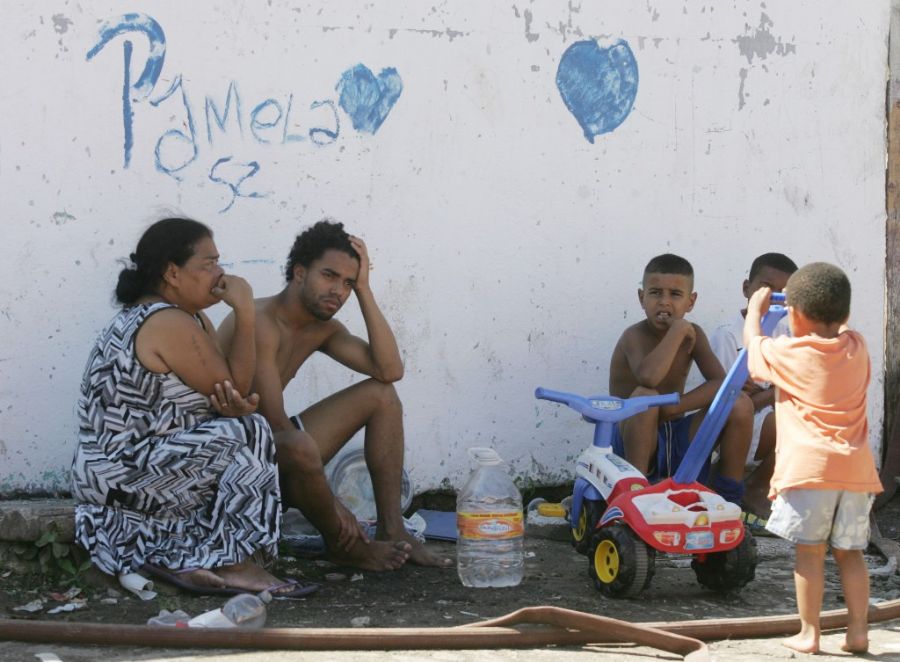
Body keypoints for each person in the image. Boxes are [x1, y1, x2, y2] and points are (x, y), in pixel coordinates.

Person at [72, 218, 316, 598]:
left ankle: (188, 558)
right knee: (249, 431)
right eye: (209, 263)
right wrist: (246, 313)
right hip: (124, 473)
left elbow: (227, 392)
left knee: (241, 424)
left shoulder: (183, 317)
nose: (220, 273)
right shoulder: (166, 320)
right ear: (172, 272)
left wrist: (233, 406)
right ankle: (235, 562)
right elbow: (237, 385)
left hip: (124, 475)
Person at [218, 219, 451, 570]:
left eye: (347, 283)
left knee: (382, 395)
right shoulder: (259, 320)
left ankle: (393, 528)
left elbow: (389, 371)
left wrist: (366, 291)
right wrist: (334, 506)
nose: (338, 291)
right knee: (298, 445)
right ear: (299, 272)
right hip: (230, 462)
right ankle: (344, 545)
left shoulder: (321, 329)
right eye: (329, 276)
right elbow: (273, 424)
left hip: (275, 448)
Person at [745, 262, 883, 655]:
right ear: (845, 315)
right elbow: (835, 325)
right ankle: (858, 632)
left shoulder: (789, 352)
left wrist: (756, 312)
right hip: (855, 472)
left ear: (795, 314)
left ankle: (810, 633)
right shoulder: (857, 348)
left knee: (809, 553)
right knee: (850, 553)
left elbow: (755, 353)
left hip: (809, 473)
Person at [608, 254, 753, 505]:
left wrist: (676, 407)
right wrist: (676, 332)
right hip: (631, 439)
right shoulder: (633, 336)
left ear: (691, 301)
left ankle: (728, 500)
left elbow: (722, 385)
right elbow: (648, 378)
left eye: (675, 295)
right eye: (655, 293)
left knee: (738, 403)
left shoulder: (694, 334)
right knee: (645, 397)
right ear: (642, 298)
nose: (664, 302)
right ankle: (635, 496)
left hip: (674, 433)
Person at [709, 252, 798, 524]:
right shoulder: (727, 335)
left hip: (766, 421)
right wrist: (773, 390)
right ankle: (745, 489)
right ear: (747, 288)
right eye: (766, 288)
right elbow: (729, 397)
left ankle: (758, 487)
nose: (775, 297)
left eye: (784, 292)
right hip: (733, 429)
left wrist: (760, 393)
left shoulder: (786, 335)